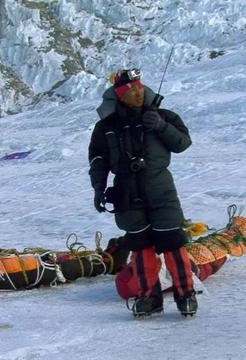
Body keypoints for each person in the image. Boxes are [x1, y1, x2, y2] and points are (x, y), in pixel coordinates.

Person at [88, 68, 197, 318]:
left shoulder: (164, 116)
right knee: (140, 247)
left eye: (139, 87)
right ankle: (148, 298)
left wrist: (161, 126)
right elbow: (98, 159)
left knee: (173, 243)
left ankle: (186, 295)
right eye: (131, 90)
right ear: (119, 95)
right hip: (127, 193)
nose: (138, 92)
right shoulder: (105, 127)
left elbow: (183, 143)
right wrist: (98, 187)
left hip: (161, 190)